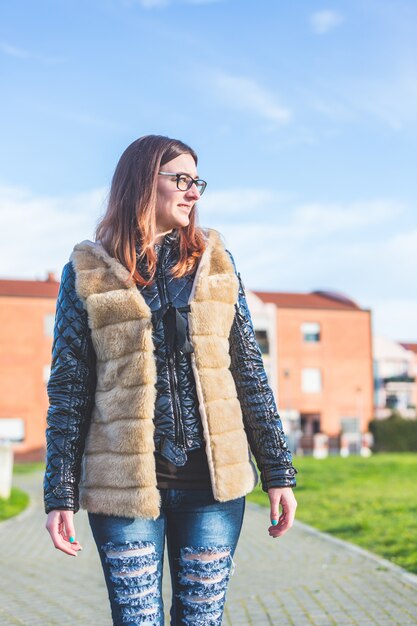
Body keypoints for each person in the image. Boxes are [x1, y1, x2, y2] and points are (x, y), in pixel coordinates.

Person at [44, 134, 298, 626]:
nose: (194, 192)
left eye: (197, 181)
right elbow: (69, 391)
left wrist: (278, 473)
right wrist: (60, 492)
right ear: (142, 183)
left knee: (202, 620)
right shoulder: (87, 271)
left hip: (213, 490)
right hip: (122, 490)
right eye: (181, 179)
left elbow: (249, 373)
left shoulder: (217, 266)